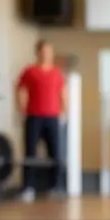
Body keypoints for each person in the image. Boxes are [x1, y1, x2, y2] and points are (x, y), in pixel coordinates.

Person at [15, 40, 66, 203]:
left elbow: (63, 94)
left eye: (48, 51)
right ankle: (28, 188)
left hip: (52, 117)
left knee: (55, 153)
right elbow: (21, 91)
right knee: (30, 153)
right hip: (34, 116)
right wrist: (22, 110)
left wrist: (64, 113)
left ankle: (55, 186)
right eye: (43, 51)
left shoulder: (57, 73)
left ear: (52, 53)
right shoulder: (29, 71)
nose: (46, 54)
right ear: (38, 53)